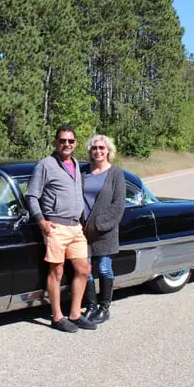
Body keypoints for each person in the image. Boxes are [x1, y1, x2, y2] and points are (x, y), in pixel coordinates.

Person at [25, 125, 96, 333]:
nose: (67, 144)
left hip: (75, 227)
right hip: (56, 227)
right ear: (56, 142)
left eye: (71, 141)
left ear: (75, 144)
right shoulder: (45, 165)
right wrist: (41, 221)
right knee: (56, 272)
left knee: (84, 269)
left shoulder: (75, 164)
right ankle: (57, 317)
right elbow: (31, 196)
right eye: (63, 141)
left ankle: (75, 314)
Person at [81, 134, 126, 324]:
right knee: (86, 270)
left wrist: (100, 225)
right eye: (94, 148)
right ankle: (91, 306)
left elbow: (119, 205)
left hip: (105, 231)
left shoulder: (116, 174)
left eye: (101, 148)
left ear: (108, 150)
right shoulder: (84, 172)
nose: (98, 151)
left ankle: (104, 308)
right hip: (83, 231)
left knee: (104, 268)